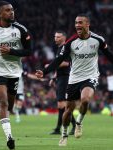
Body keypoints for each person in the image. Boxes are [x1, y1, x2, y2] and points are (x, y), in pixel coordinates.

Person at [35, 14, 113, 146]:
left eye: (80, 22)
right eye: (76, 22)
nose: (77, 25)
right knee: (68, 110)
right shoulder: (71, 42)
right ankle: (64, 134)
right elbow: (58, 60)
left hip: (90, 76)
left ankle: (79, 123)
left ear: (87, 24)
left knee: (86, 99)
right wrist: (44, 71)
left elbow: (109, 55)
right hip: (74, 78)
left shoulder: (98, 40)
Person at [0, 1, 32, 150]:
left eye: (12, 10)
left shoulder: (21, 30)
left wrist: (12, 52)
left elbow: (29, 51)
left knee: (8, 105)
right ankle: (9, 137)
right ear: (0, 14)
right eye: (8, 10)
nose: (12, 12)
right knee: (3, 102)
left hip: (15, 71)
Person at [49, 31, 76, 135]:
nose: (56, 38)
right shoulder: (59, 49)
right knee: (61, 105)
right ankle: (58, 128)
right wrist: (53, 77)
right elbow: (59, 65)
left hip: (65, 78)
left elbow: (66, 63)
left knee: (63, 105)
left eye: (58, 37)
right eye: (55, 36)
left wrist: (50, 66)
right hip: (60, 78)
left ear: (64, 38)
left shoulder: (66, 48)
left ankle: (74, 125)